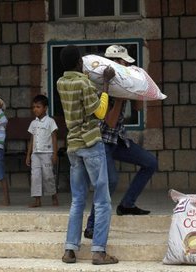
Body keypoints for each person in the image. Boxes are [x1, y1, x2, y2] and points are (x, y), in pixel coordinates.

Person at [84, 45, 158, 239]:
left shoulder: (121, 84)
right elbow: (108, 121)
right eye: (124, 62)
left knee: (150, 162)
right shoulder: (102, 87)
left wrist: (137, 89)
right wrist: (118, 97)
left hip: (119, 140)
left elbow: (139, 110)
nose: (126, 65)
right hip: (102, 142)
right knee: (109, 181)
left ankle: (127, 204)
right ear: (115, 63)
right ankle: (92, 225)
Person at [57, 44, 118, 265]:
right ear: (78, 63)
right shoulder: (84, 83)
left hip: (73, 145)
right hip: (91, 143)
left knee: (77, 200)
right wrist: (106, 85)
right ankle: (99, 252)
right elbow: (100, 113)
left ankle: (70, 250)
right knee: (102, 201)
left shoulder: (60, 83)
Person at [26, 94, 59, 207]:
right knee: (35, 176)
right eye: (34, 107)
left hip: (47, 153)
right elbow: (32, 139)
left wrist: (55, 154)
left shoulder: (50, 121)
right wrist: (28, 155)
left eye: (38, 106)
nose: (35, 109)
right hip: (35, 154)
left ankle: (53, 195)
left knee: (48, 176)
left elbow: (54, 137)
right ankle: (37, 200)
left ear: (45, 108)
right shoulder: (33, 123)